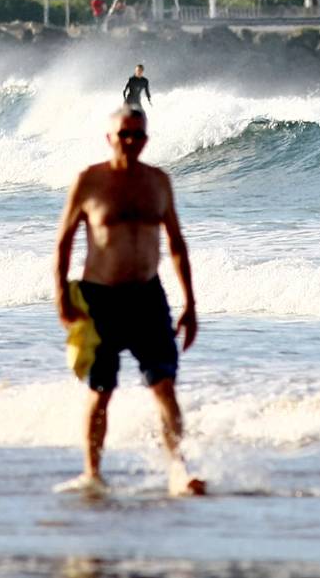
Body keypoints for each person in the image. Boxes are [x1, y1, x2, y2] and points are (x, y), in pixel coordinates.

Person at [54, 106, 202, 497]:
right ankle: (92, 473)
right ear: (110, 138)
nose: (132, 141)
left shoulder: (158, 182)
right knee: (102, 389)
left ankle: (178, 470)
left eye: (138, 135)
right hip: (99, 298)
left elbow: (176, 244)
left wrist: (189, 304)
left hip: (147, 297)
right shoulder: (89, 181)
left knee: (164, 384)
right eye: (124, 134)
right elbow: (64, 242)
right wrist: (62, 298)